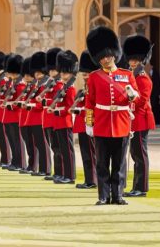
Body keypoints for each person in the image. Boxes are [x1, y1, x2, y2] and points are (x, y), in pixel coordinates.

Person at [85, 26, 139, 205]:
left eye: (108, 55)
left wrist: (132, 95)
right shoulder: (94, 77)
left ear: (114, 54)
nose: (105, 59)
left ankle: (117, 195)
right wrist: (89, 123)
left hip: (121, 122)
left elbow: (136, 99)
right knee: (101, 163)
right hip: (101, 123)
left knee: (119, 163)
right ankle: (103, 196)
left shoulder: (126, 75)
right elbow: (90, 102)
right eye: (102, 57)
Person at [122, 35, 156, 198]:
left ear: (142, 60)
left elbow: (141, 101)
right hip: (132, 121)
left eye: (136, 60)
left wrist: (130, 97)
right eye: (131, 59)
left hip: (141, 120)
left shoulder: (143, 79)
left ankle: (141, 188)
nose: (132, 62)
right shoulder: (132, 77)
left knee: (140, 155)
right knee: (136, 154)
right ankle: (137, 186)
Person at [49, 50, 78, 184]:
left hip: (65, 122)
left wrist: (57, 111)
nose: (62, 75)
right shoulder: (64, 88)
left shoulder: (71, 89)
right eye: (61, 72)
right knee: (61, 150)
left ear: (71, 72)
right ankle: (64, 174)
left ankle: (70, 176)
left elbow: (70, 107)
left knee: (68, 151)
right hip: (58, 123)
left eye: (65, 72)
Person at [36, 47, 64, 181]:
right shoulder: (50, 83)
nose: (52, 72)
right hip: (48, 119)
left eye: (54, 70)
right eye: (51, 70)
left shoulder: (59, 85)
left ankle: (61, 172)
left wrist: (44, 100)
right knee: (54, 148)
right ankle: (57, 172)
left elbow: (56, 101)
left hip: (55, 119)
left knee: (58, 148)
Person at [71, 50, 98, 189]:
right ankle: (89, 179)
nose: (84, 76)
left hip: (91, 124)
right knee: (86, 154)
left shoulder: (95, 86)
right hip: (83, 124)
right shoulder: (85, 87)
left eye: (86, 73)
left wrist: (89, 121)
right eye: (84, 74)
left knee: (92, 153)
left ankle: (93, 180)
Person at [24, 52, 51, 176]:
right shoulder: (37, 85)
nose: (36, 74)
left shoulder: (45, 85)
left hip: (40, 118)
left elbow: (43, 103)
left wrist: (33, 105)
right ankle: (41, 168)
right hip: (33, 118)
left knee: (43, 145)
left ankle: (46, 169)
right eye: (35, 72)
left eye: (39, 71)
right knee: (38, 145)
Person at [1, 54, 27, 171]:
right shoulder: (13, 83)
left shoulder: (20, 85)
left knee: (17, 141)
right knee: (12, 141)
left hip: (16, 116)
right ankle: (14, 161)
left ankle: (20, 162)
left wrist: (10, 105)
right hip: (8, 116)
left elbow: (19, 103)